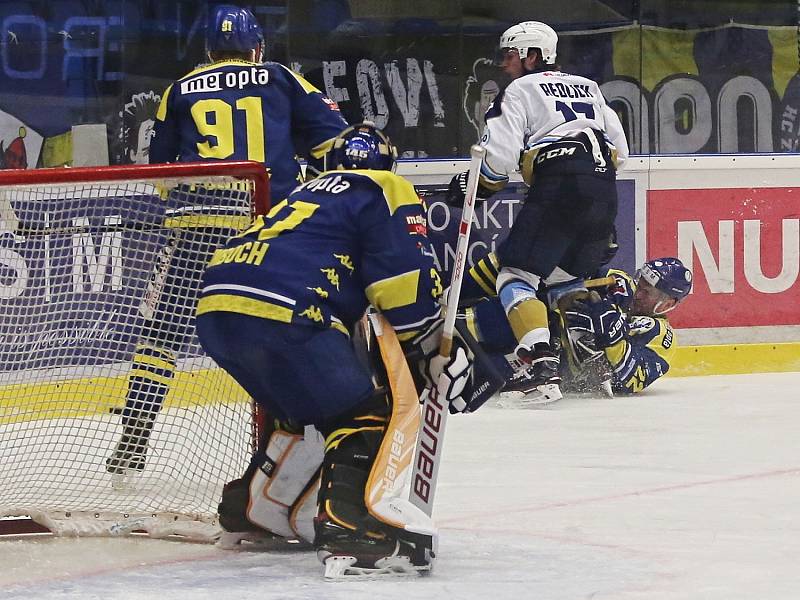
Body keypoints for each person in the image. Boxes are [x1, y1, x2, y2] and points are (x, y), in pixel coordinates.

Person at [195, 123, 470, 577]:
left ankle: (249, 506)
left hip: (217, 306)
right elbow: (402, 279)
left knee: (302, 411)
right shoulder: (386, 185)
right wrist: (427, 342)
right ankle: (350, 529)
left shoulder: (304, 193)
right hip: (285, 310)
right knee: (362, 413)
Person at [106, 4, 349, 475]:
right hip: (265, 226)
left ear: (209, 50)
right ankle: (288, 438)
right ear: (256, 47)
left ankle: (132, 442)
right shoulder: (280, 77)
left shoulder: (179, 89)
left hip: (195, 229)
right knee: (277, 326)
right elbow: (336, 141)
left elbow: (162, 170)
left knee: (161, 335)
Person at [445, 20, 629, 405]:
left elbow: (496, 161)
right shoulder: (590, 87)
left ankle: (541, 369)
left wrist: (469, 189)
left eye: (510, 55)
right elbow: (620, 153)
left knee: (516, 275)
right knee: (565, 277)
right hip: (604, 190)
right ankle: (591, 362)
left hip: (561, 186)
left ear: (533, 56)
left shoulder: (518, 89)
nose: (504, 64)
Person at [459, 257, 693, 404]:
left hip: (551, 368)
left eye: (648, 292)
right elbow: (593, 271)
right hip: (542, 336)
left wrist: (610, 332)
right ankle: (445, 328)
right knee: (506, 313)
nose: (639, 293)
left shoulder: (661, 337)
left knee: (472, 372)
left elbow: (631, 380)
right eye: (641, 283)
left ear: (669, 303)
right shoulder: (621, 284)